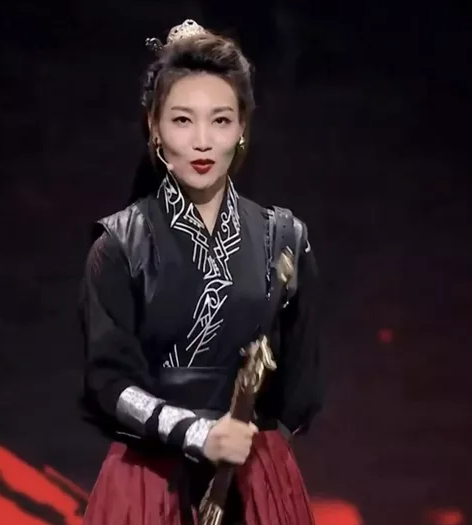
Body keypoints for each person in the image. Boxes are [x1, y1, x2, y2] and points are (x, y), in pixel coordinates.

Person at [78, 19, 324, 525]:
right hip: (148, 483)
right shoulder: (118, 245)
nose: (203, 141)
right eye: (183, 120)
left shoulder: (286, 240)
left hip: (253, 480)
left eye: (221, 120)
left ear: (242, 129)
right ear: (154, 127)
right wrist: (197, 433)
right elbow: (108, 382)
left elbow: (301, 385)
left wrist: (259, 453)